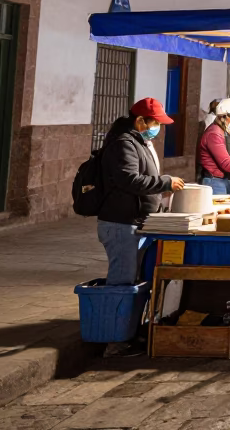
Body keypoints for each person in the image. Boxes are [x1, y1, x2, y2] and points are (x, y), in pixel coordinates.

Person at [97, 98, 185, 355]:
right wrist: (165, 182)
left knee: (133, 279)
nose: (157, 127)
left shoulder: (140, 141)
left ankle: (130, 331)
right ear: (139, 121)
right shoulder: (123, 143)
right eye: (155, 123)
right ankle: (114, 341)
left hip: (137, 221)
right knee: (122, 281)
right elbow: (129, 179)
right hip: (121, 223)